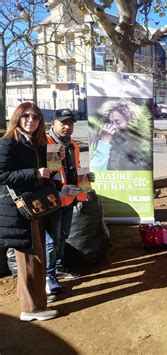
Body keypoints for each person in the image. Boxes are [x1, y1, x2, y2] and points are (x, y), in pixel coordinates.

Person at [0, 102, 58, 321]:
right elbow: (1, 175)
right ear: (17, 118)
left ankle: (30, 299)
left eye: (35, 117)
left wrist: (54, 162)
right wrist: (34, 172)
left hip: (34, 206)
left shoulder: (35, 143)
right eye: (26, 116)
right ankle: (31, 309)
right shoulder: (8, 143)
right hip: (19, 209)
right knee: (30, 257)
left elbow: (46, 174)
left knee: (34, 254)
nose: (31, 121)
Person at [45, 109, 95, 294]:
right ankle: (49, 276)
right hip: (53, 200)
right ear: (53, 124)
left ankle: (59, 267)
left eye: (70, 123)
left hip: (69, 198)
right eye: (63, 123)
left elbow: (75, 169)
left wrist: (85, 181)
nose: (67, 126)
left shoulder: (72, 145)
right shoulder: (48, 143)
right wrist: (60, 190)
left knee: (63, 235)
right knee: (52, 240)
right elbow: (49, 175)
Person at [90, 101, 151, 171]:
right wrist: (104, 142)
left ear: (131, 123)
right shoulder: (103, 144)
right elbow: (96, 172)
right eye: (110, 122)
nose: (112, 126)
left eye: (117, 122)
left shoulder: (142, 149)